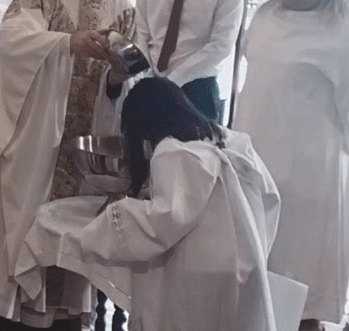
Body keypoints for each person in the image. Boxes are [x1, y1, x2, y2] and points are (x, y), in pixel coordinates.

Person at [0, 0, 153, 330]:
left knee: (71, 259)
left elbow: (123, 83)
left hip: (85, 155)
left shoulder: (124, 10)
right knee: (18, 238)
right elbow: (13, 40)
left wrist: (117, 78)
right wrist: (66, 42)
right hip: (35, 147)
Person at [233, 0, 349, 331]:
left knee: (299, 248)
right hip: (257, 143)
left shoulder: (343, 30)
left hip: (310, 159)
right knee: (255, 241)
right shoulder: (266, 16)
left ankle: (304, 319)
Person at [66, 76, 280, 330]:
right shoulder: (233, 140)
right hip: (246, 264)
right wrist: (255, 244)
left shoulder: (172, 151)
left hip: (199, 273)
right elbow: (270, 197)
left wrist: (113, 218)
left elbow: (162, 222)